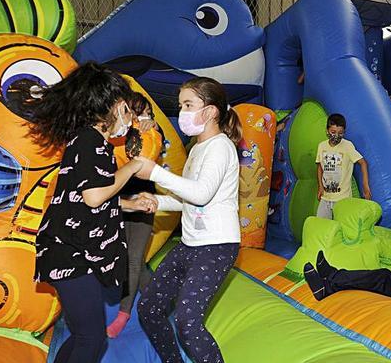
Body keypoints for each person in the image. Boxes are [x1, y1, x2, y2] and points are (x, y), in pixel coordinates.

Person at [31, 63, 156, 363]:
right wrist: (135, 166)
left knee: (85, 335)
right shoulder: (89, 141)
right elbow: (94, 195)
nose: (130, 119)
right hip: (68, 254)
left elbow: (85, 198)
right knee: (91, 338)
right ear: (113, 106)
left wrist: (130, 204)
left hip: (72, 252)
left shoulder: (90, 142)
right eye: (127, 110)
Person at [134, 77, 242, 363]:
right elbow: (189, 199)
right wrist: (158, 201)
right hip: (190, 243)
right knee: (150, 307)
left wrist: (154, 172)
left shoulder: (220, 147)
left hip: (217, 246)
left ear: (210, 111)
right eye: (181, 104)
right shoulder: (197, 148)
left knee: (188, 323)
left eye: (188, 104)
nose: (182, 111)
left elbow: (202, 194)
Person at [107, 92, 164, 338]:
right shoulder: (115, 134)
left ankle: (124, 313)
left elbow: (150, 152)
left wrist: (153, 124)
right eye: (137, 112)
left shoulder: (150, 134)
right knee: (134, 260)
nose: (142, 118)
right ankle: (159, 302)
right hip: (118, 201)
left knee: (133, 257)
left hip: (143, 202)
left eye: (147, 113)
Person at [316, 113, 371, 219]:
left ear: (344, 133)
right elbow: (319, 167)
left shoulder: (347, 146)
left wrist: (365, 185)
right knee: (321, 224)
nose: (336, 136)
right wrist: (320, 187)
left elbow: (363, 163)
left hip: (342, 198)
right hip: (326, 197)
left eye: (340, 133)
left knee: (342, 226)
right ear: (327, 131)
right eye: (333, 132)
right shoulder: (322, 146)